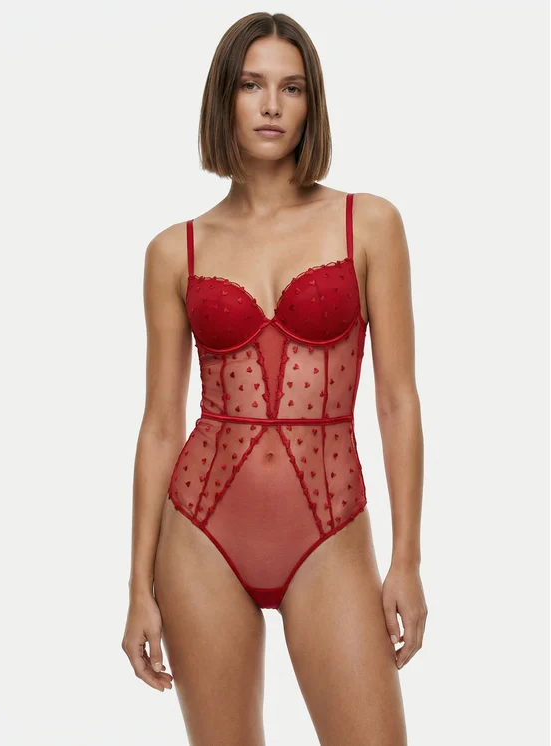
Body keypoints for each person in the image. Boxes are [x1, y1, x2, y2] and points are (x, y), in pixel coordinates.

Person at [122, 11, 426, 745]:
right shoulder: (173, 250)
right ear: (223, 98)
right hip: (199, 534)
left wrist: (407, 560)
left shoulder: (369, 223)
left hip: (329, 533)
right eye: (251, 85)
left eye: (291, 88)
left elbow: (396, 400)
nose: (270, 105)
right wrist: (137, 587)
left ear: (311, 104)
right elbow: (160, 423)